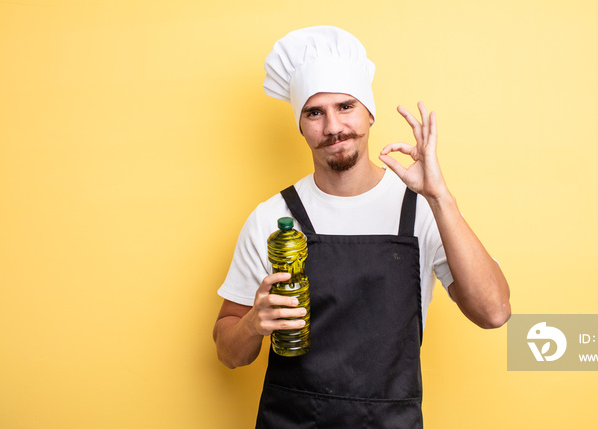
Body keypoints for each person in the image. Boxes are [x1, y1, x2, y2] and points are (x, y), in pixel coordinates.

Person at [213, 26, 511, 428]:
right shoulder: (272, 217)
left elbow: (494, 312)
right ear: (301, 126)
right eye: (314, 113)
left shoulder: (421, 209)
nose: (333, 126)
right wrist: (252, 323)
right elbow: (229, 354)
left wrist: (441, 198)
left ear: (369, 112)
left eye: (346, 106)